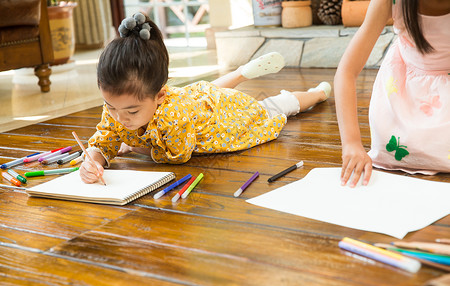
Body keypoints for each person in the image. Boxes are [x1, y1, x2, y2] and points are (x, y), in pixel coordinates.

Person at [80, 13, 331, 184]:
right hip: (196, 100)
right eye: (111, 107)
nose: (120, 118)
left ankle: (317, 93)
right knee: (205, 89)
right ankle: (239, 73)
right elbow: (104, 139)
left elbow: (177, 156)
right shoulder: (119, 108)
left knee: (273, 106)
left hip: (221, 116)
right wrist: (93, 159)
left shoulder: (173, 118)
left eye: (132, 112)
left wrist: (133, 146)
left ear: (159, 95)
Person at [334, 0, 449, 187]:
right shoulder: (389, 2)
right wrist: (351, 143)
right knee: (408, 145)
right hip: (404, 100)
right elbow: (346, 71)